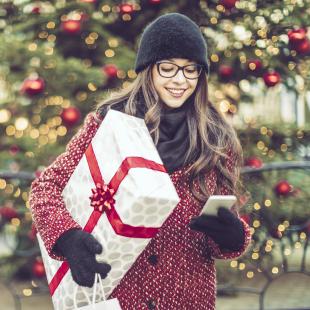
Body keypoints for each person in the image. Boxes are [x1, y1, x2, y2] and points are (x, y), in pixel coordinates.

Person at [30, 13, 251, 310]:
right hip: (120, 297)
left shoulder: (215, 139)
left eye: (190, 70)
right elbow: (46, 186)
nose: (180, 80)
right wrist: (67, 236)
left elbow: (220, 235)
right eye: (168, 68)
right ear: (148, 69)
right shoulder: (110, 125)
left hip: (187, 299)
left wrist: (233, 235)